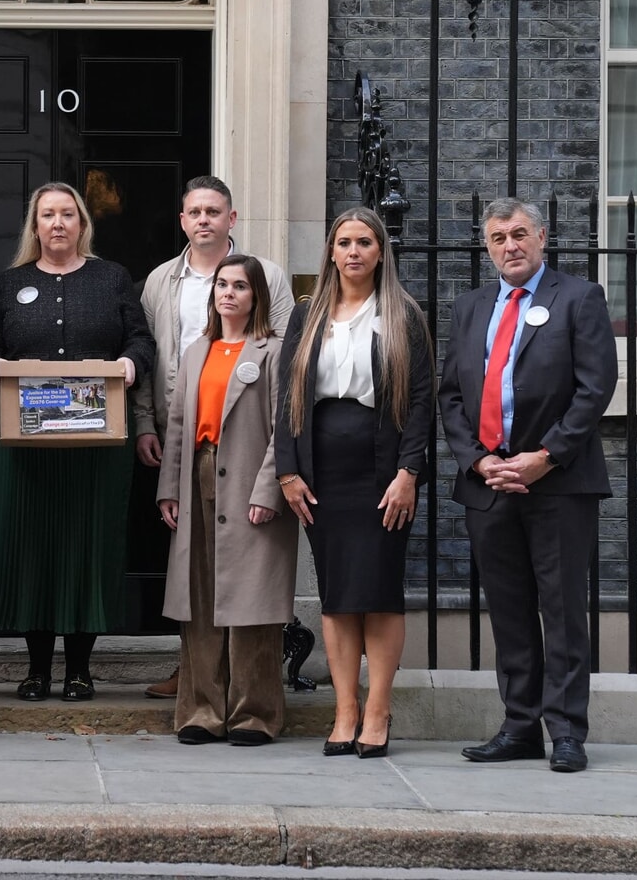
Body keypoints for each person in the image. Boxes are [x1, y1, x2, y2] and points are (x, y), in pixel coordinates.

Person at [439, 197, 616, 774]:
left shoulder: (579, 298)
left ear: (542, 238)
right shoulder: (470, 307)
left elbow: (596, 387)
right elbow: (452, 396)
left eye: (519, 234)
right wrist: (476, 460)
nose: (509, 246)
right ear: (487, 247)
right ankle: (519, 727)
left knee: (561, 609)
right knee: (510, 610)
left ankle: (565, 730)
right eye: (497, 238)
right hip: (490, 484)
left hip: (557, 483)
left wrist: (547, 456)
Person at [0, 182, 155, 701]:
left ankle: (79, 668)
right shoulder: (10, 284)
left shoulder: (113, 278)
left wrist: (128, 365)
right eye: (47, 215)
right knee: (32, 547)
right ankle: (36, 669)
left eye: (68, 215)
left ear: (82, 224)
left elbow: (141, 341)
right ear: (35, 226)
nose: (58, 223)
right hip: (25, 446)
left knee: (86, 547)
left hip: (97, 447)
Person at [275, 207, 433, 759]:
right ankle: (344, 711)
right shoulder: (307, 315)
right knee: (338, 596)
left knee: (380, 593)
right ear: (331, 252)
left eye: (365, 242)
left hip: (382, 471)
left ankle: (378, 710)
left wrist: (409, 473)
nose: (354, 252)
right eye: (344, 242)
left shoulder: (402, 314)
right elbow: (287, 398)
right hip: (322, 474)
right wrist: (288, 471)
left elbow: (419, 403)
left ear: (381, 251)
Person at [133, 175, 294, 701]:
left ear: (232, 218)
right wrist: (145, 425)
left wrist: (274, 480)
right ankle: (199, 686)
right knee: (194, 580)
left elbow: (286, 372)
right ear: (182, 220)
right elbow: (156, 359)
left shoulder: (267, 275)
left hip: (249, 447)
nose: (203, 219)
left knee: (248, 580)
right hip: (186, 444)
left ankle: (251, 700)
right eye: (194, 211)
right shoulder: (159, 280)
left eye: (214, 211)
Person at [156, 255, 293, 745]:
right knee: (200, 596)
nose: (228, 293)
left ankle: (254, 715)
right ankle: (200, 711)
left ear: (256, 296)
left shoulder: (275, 351)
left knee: (251, 600)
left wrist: (269, 490)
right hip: (199, 475)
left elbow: (287, 427)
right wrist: (169, 488)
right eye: (221, 284)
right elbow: (177, 425)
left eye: (239, 286)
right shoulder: (197, 351)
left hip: (250, 481)